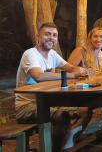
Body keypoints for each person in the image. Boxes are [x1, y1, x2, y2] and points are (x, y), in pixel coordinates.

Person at [15, 23, 90, 151]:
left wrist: (82, 70)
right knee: (62, 117)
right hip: (27, 105)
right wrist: (71, 75)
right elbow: (38, 76)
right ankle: (54, 149)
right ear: (38, 36)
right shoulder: (30, 54)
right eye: (47, 34)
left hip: (48, 102)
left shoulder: (52, 55)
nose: (51, 38)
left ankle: (67, 139)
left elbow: (71, 67)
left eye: (54, 35)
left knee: (85, 110)